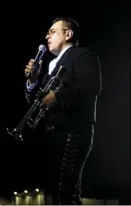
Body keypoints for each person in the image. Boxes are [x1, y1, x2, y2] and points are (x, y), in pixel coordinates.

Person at [24, 17, 102, 204]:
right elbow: (37, 101)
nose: (47, 36)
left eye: (52, 32)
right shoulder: (51, 65)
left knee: (66, 191)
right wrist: (33, 81)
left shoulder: (83, 55)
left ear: (68, 34)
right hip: (51, 134)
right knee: (55, 193)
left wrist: (57, 97)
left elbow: (91, 87)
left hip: (72, 132)